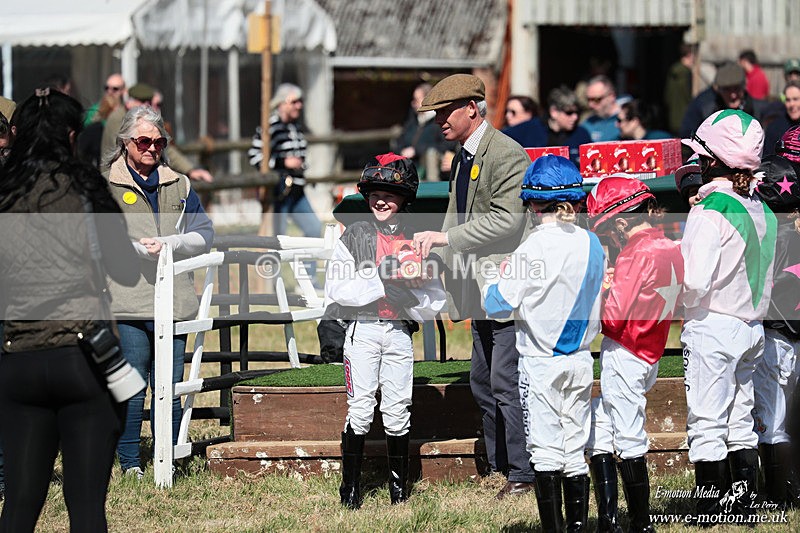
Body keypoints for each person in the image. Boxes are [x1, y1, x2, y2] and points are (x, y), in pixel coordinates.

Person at [0, 88, 139, 531]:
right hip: (82, 355)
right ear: (73, 134)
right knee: (85, 508)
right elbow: (126, 271)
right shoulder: (85, 186)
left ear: (16, 134)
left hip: (16, 354)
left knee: (19, 506)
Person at [411, 74, 536, 499]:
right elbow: (454, 214)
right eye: (435, 114)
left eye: (445, 112)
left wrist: (446, 240)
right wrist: (434, 258)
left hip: (505, 288)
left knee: (505, 379)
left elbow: (508, 219)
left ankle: (523, 473)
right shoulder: (462, 157)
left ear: (472, 107)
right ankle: (501, 466)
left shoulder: (506, 154)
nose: (438, 121)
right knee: (482, 380)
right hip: (478, 288)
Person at [483, 155, 605, 531]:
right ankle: (579, 525)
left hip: (540, 359)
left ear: (533, 205)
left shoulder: (532, 248)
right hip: (582, 357)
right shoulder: (593, 242)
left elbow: (496, 303)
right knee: (573, 447)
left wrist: (492, 276)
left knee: (545, 450)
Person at [325, 153, 446, 509]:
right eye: (375, 192)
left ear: (405, 197)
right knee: (360, 409)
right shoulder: (354, 235)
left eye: (390, 194)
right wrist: (378, 282)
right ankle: (350, 488)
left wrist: (409, 300)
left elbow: (435, 297)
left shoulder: (419, 236)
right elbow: (336, 289)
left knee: (397, 410)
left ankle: (398, 490)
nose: (381, 200)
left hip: (397, 332)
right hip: (362, 330)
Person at [104, 105, 215, 479]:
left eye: (158, 141)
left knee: (168, 383)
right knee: (133, 382)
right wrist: (132, 249)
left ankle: (169, 456)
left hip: (174, 301)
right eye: (142, 140)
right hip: (127, 297)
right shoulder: (106, 183)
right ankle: (131, 461)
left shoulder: (180, 185)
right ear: (125, 143)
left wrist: (170, 243)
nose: (151, 147)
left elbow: (205, 235)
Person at [680, 109, 777, 523]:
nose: (696, 163)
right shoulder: (761, 208)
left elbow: (696, 281)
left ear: (713, 161)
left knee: (706, 421)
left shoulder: (708, 210)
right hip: (752, 328)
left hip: (712, 326)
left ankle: (710, 510)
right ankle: (743, 506)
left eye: (700, 156)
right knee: (740, 421)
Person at [585, 176, 684, 533]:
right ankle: (610, 520)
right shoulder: (670, 246)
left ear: (621, 221)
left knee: (627, 436)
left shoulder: (632, 253)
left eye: (608, 230)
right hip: (650, 351)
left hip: (624, 352)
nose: (610, 238)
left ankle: (640, 522)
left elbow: (612, 318)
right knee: (597, 425)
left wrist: (596, 291)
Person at [752, 141, 800, 509]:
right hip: (793, 334)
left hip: (773, 333)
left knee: (772, 419)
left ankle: (777, 496)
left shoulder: (763, 235)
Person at [248, 83, 322, 240]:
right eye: (294, 102)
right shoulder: (271, 127)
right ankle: (274, 265)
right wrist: (283, 163)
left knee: (314, 229)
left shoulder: (295, 127)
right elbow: (254, 155)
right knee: (278, 238)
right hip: (279, 191)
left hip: (297, 189)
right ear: (282, 103)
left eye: (300, 101)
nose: (299, 105)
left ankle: (306, 264)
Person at [101, 83, 214, 183]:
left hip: (140, 176)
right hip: (117, 179)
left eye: (149, 102)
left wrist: (190, 169)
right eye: (142, 101)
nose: (146, 105)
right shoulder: (118, 118)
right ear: (130, 102)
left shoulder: (148, 118)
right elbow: (119, 150)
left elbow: (166, 150)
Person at [679, 62, 771, 138]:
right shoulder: (706, 110)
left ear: (744, 86)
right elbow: (687, 134)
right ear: (718, 89)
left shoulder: (760, 111)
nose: (733, 95)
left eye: (736, 88)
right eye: (727, 90)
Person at [391, 83, 455, 179]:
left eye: (416, 100)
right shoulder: (412, 121)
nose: (413, 103)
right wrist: (401, 151)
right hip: (410, 167)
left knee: (431, 154)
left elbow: (446, 146)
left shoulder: (440, 122)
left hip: (431, 168)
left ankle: (432, 190)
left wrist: (416, 150)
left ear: (427, 100)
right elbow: (400, 141)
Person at [545, 86, 592, 167]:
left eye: (577, 112)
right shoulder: (534, 132)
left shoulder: (582, 134)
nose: (575, 117)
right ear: (554, 112)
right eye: (569, 112)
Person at [664, 43, 696, 135]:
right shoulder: (686, 73)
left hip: (673, 117)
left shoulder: (673, 71)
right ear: (689, 55)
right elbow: (688, 96)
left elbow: (667, 96)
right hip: (684, 117)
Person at [763, 81, 800, 157]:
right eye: (788, 100)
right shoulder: (774, 128)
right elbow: (767, 159)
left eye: (795, 99)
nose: (792, 104)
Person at [581, 75, 622, 142]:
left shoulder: (626, 121)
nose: (590, 105)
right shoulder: (588, 124)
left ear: (612, 96)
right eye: (588, 100)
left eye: (597, 100)